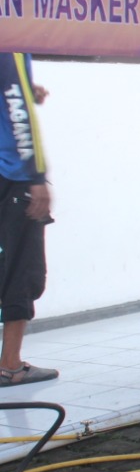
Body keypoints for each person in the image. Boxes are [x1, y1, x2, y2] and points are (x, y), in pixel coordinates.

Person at [0, 53, 57, 388]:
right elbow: (19, 117)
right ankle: (10, 365)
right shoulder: (12, 38)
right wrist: (34, 176)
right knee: (23, 268)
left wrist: (23, 87)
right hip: (12, 173)